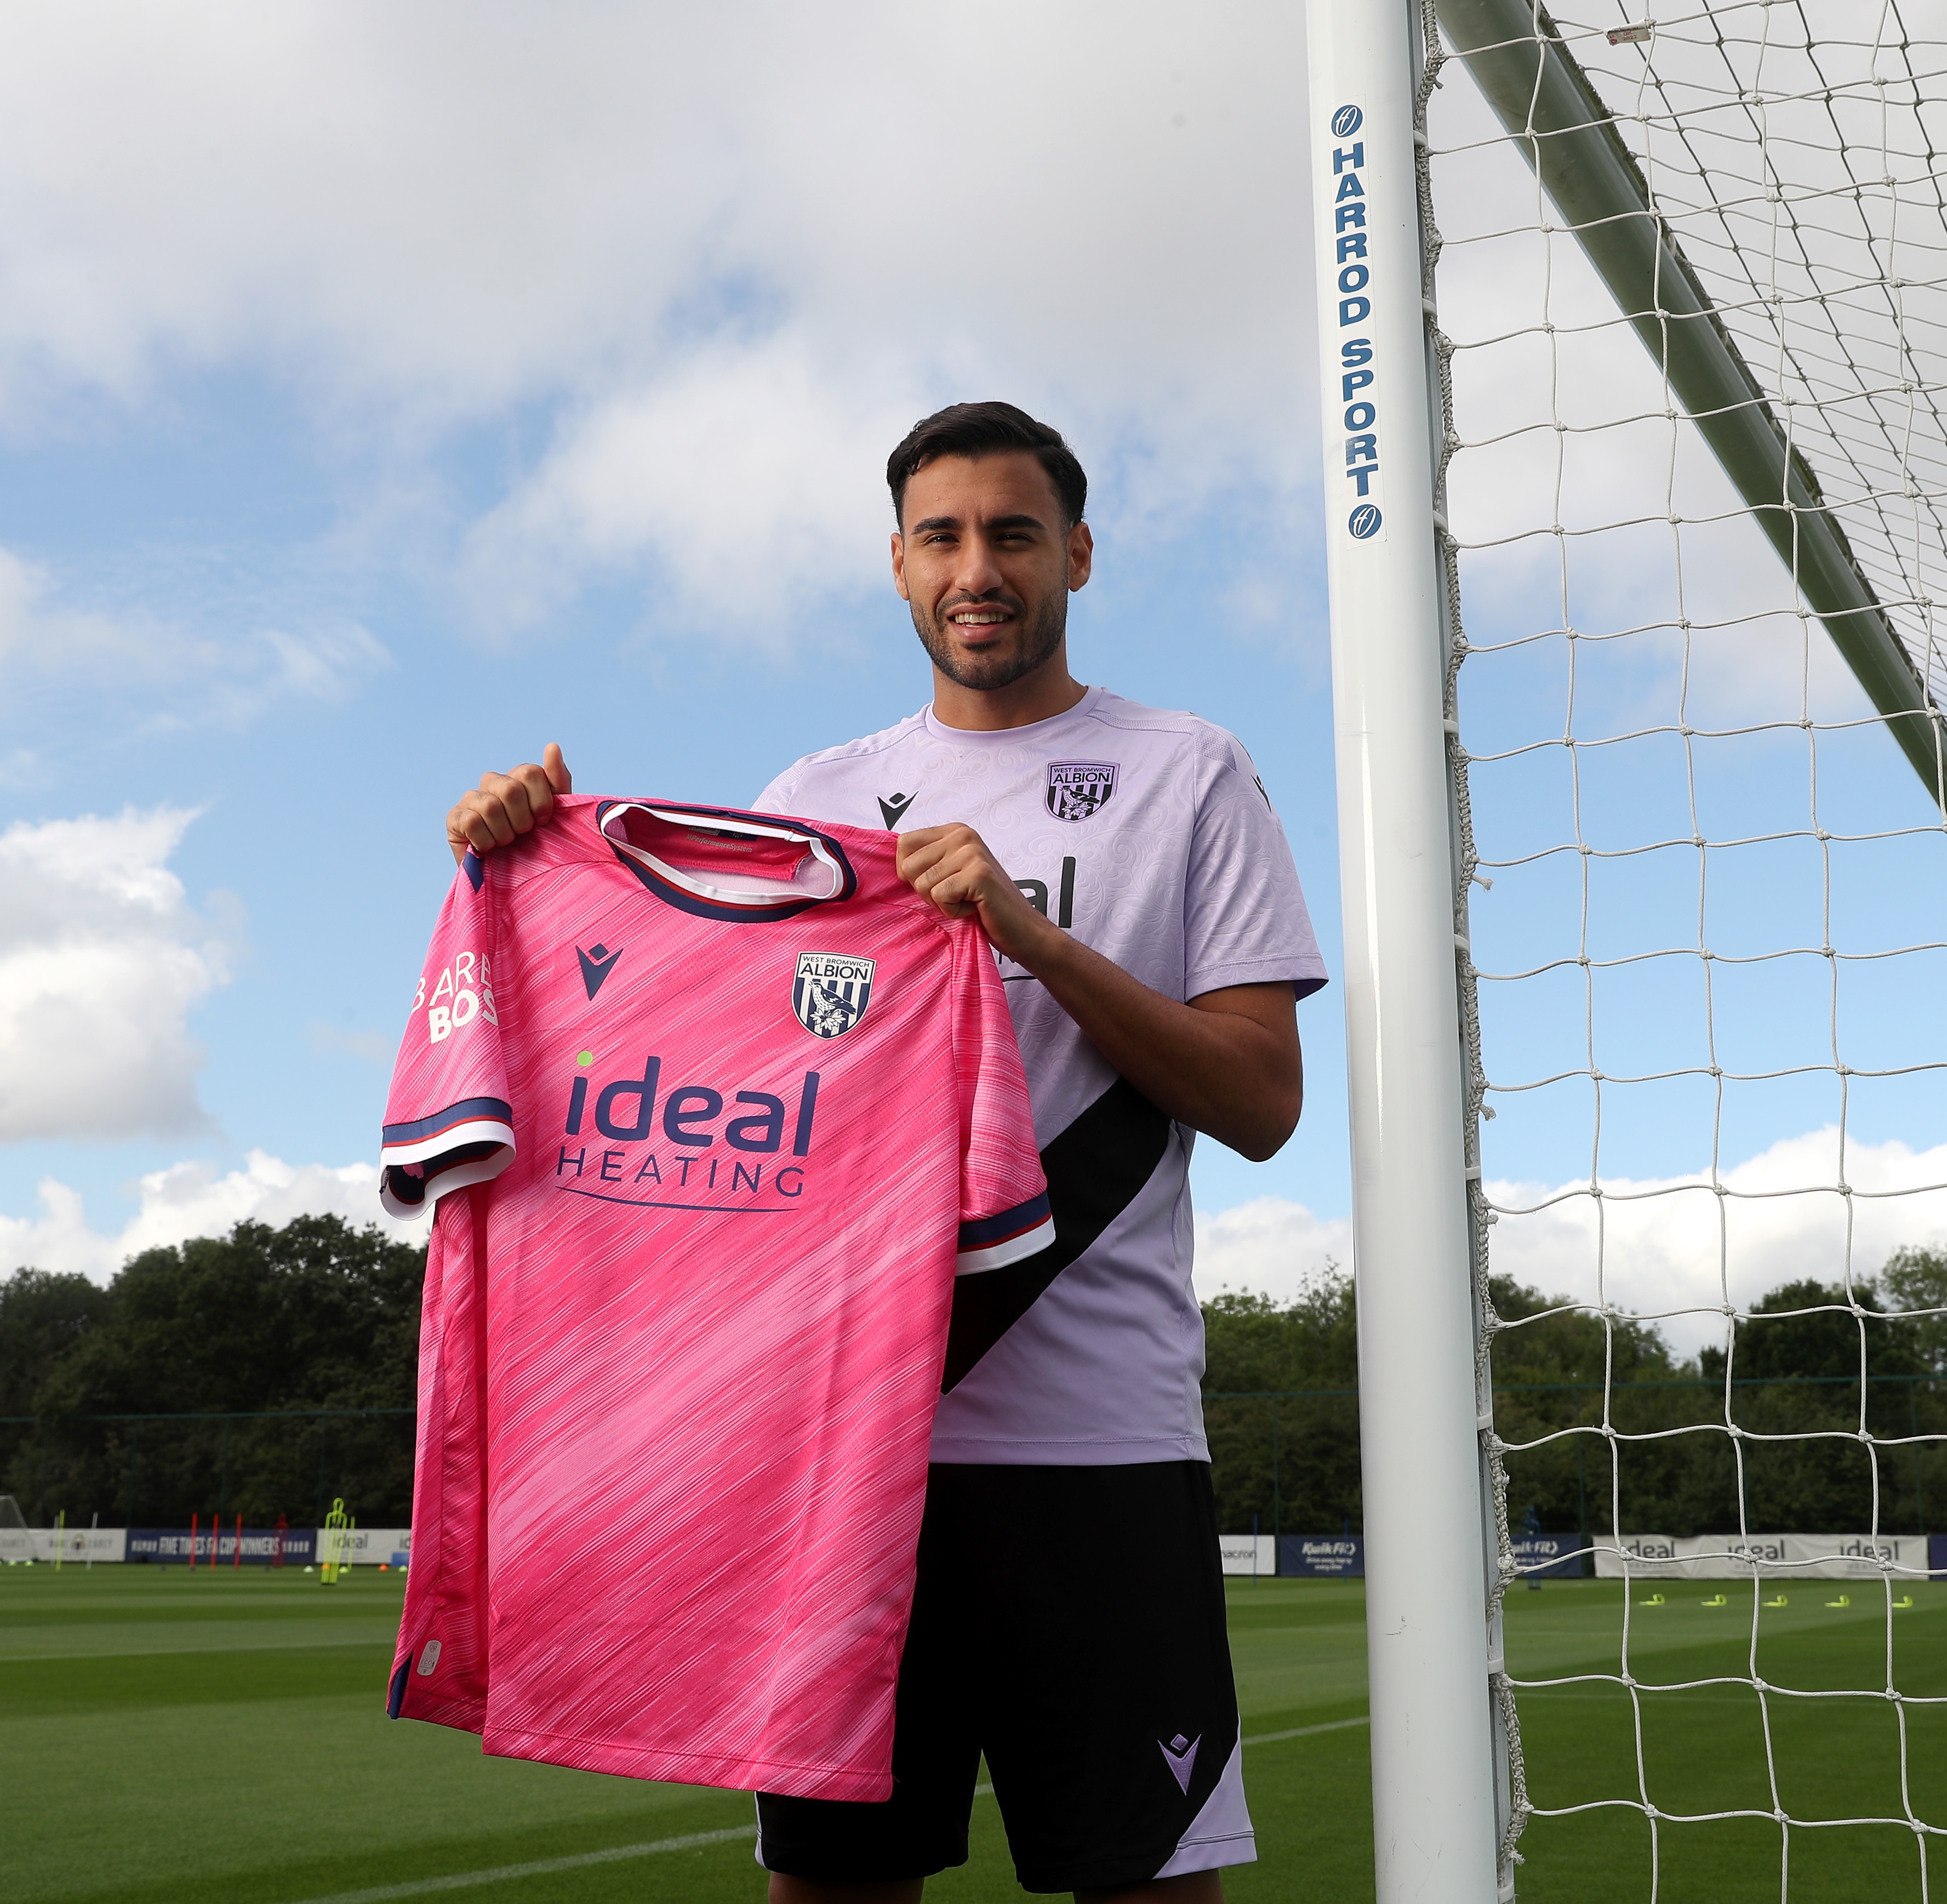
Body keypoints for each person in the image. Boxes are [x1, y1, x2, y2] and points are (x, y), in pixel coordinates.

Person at [443, 402, 1327, 1904]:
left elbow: (1259, 1099)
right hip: (845, 1454)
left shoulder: (1189, 770)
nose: (976, 568)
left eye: (1012, 533)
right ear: (898, 564)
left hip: (1096, 1442)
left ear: (1079, 555)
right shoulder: (812, 798)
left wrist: (1030, 938)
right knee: (835, 1891)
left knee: (1148, 1885)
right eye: (943, 536)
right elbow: (687, 1071)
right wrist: (519, 860)